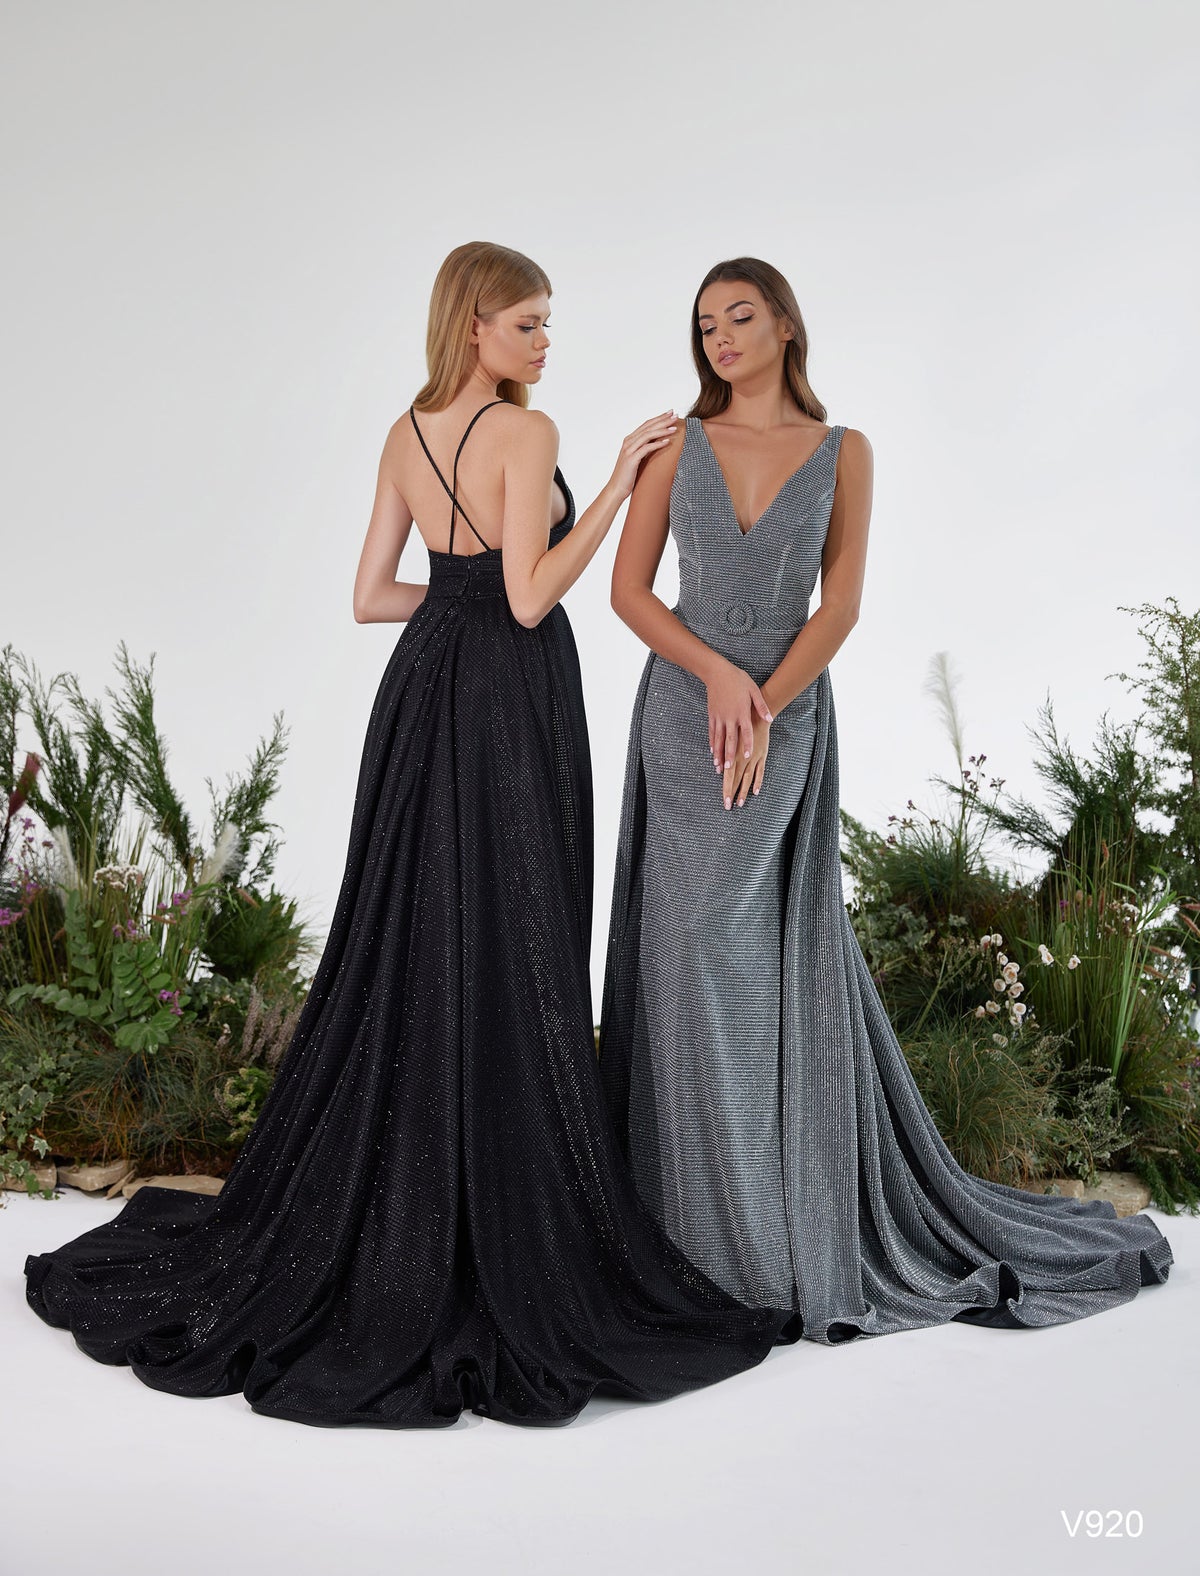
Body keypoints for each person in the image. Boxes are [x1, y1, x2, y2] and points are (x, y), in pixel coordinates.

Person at [24, 241, 796, 1427]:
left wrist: (455, 597)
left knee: (420, 931)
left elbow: (371, 595)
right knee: (514, 928)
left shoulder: (405, 431)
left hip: (423, 685)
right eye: (528, 324)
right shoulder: (525, 433)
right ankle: (500, 1206)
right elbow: (532, 597)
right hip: (508, 697)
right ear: (473, 325)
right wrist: (614, 485)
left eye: (547, 324)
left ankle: (414, 1182)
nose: (544, 343)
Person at [598, 254, 1173, 1340]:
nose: (721, 337)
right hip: (684, 719)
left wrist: (765, 702)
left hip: (784, 717)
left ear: (785, 324)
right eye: (706, 324)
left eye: (740, 316)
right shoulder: (677, 444)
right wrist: (717, 678)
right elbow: (628, 592)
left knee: (752, 960)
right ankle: (687, 1234)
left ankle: (767, 1236)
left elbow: (841, 605)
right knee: (684, 955)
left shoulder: (844, 451)